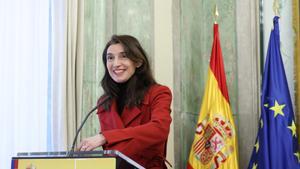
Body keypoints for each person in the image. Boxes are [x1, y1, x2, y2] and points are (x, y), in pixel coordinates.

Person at [78, 35, 172, 169]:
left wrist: (104, 137)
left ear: (138, 62)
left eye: (123, 56)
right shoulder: (104, 102)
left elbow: (159, 129)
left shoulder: (158, 93)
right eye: (110, 58)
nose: (116, 63)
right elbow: (111, 151)